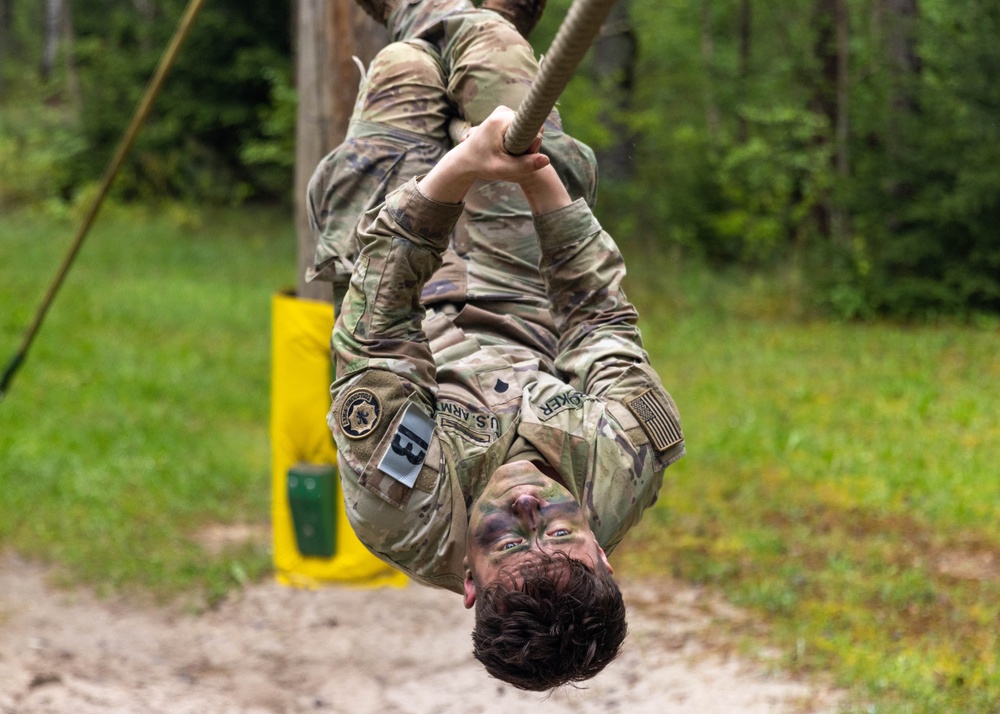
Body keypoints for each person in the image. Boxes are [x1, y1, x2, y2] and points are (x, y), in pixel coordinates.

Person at [306, 0, 685, 691]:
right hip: (523, 278)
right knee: (493, 49)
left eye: (509, 543)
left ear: (470, 585)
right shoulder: (625, 464)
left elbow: (378, 332)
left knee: (405, 66)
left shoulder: (402, 506)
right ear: (603, 554)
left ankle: (432, 11)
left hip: (398, 273)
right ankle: (471, 13)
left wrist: (453, 174)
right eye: (561, 536)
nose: (531, 512)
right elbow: (600, 318)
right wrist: (531, 170)